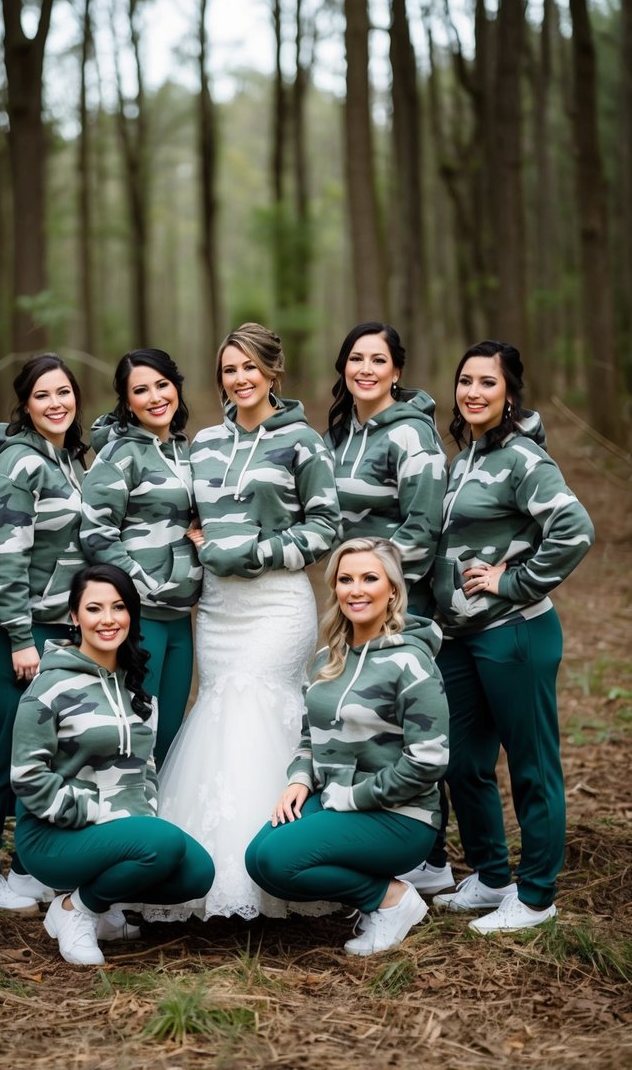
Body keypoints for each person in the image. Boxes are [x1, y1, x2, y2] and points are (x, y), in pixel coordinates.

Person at [152, 323, 340, 920]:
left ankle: (285, 865)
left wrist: (254, 552)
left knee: (260, 703)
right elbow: (180, 507)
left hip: (277, 603)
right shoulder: (203, 443)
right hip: (217, 608)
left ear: (273, 372)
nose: (240, 379)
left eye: (250, 368)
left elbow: (325, 528)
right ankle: (207, 875)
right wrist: (193, 547)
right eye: (229, 369)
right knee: (218, 710)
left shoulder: (303, 442)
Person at [430, 341, 594, 933]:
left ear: (509, 393)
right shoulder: (466, 456)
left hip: (514, 634)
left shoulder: (522, 457)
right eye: (465, 381)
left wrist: (514, 580)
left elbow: (574, 529)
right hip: (462, 637)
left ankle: (537, 895)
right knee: (463, 761)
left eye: (487, 383)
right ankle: (491, 877)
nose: (473, 391)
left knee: (531, 765)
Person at [245, 538, 449, 955]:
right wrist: (299, 780)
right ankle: (378, 896)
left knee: (279, 860)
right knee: (259, 858)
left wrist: (353, 797)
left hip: (401, 816)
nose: (356, 590)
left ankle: (390, 900)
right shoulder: (328, 659)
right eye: (345, 579)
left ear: (392, 589)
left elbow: (429, 760)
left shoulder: (411, 661)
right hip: (337, 799)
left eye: (369, 578)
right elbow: (310, 734)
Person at [10, 564, 215, 965]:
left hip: (115, 831)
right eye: (94, 608)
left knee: (198, 874)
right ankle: (76, 912)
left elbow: (146, 766)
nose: (108, 619)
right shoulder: (49, 686)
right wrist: (102, 814)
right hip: (54, 835)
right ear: (74, 616)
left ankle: (95, 903)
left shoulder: (132, 683)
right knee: (164, 842)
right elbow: (28, 778)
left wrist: (142, 814)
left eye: (119, 607)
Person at [0, 354, 89, 915]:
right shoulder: (20, 461)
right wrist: (18, 637)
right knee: (2, 752)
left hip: (56, 628)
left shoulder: (62, 459)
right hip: (22, 629)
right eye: (43, 396)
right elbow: (5, 558)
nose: (56, 403)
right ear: (26, 405)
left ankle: (29, 868)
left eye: (64, 392)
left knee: (44, 753)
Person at [325, 321, 452, 897]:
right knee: (370, 719)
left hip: (399, 598)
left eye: (378, 360)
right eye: (356, 359)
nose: (366, 369)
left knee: (409, 720)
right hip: (354, 595)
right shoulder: (344, 433)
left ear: (397, 371)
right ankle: (378, 832)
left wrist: (376, 581)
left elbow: (423, 529)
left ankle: (432, 856)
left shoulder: (410, 436)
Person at [81, 349, 201, 766]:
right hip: (142, 618)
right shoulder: (119, 455)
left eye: (162, 385)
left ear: (176, 386)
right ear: (126, 401)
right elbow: (97, 535)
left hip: (181, 618)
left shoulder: (186, 450)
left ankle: (162, 827)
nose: (154, 397)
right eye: (140, 390)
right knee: (138, 732)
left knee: (169, 734)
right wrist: (143, 585)